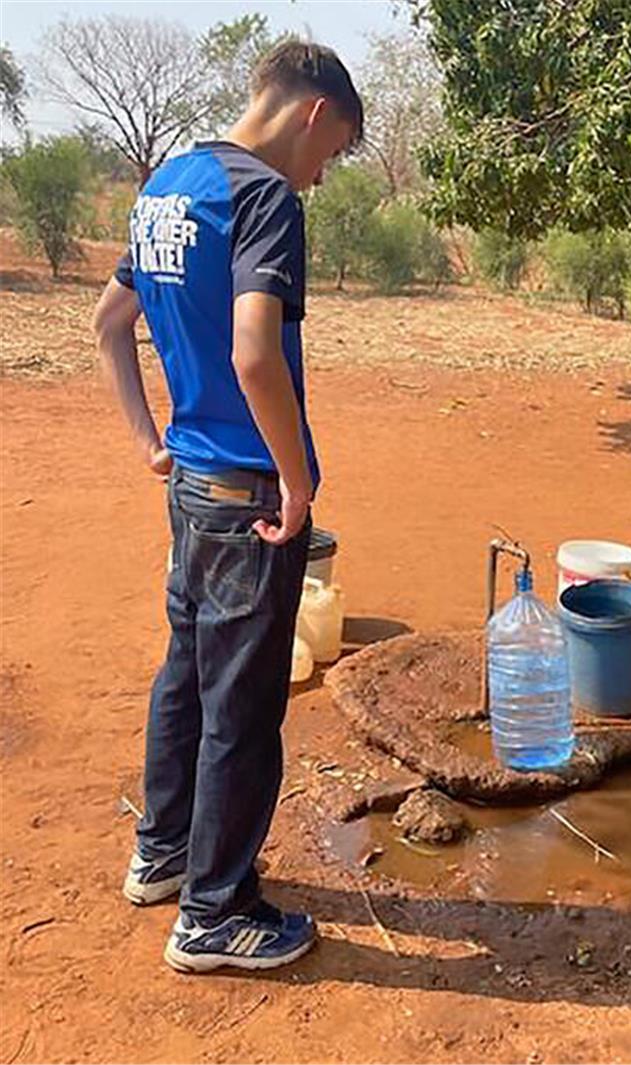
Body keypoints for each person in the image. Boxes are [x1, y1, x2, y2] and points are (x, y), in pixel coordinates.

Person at [92, 40, 363, 973]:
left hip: (190, 488)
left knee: (186, 674)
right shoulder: (264, 197)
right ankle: (215, 912)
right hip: (249, 493)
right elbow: (255, 352)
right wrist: (297, 479)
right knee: (241, 706)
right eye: (332, 154)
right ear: (314, 114)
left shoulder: (167, 186)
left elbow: (108, 324)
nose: (319, 177)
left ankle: (162, 854)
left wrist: (149, 439)